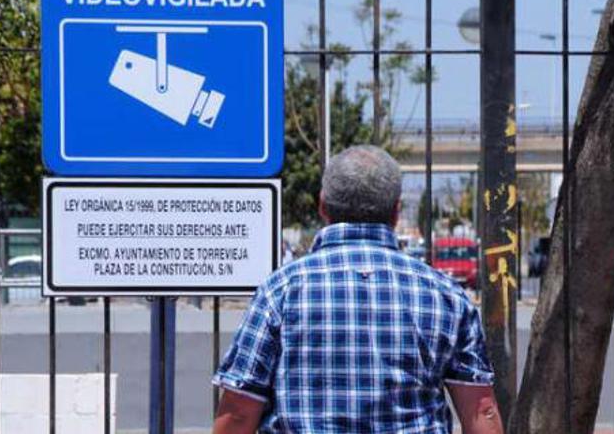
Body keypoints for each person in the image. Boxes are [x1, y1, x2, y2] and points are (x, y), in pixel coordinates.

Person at [212, 146, 503, 434]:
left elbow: (239, 412)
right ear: (396, 212)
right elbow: (480, 410)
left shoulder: (280, 292)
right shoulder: (445, 296)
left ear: (323, 206)